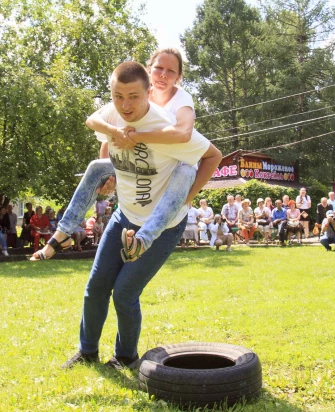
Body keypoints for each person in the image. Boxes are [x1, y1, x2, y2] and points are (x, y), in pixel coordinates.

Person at [59, 60, 220, 370]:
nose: (125, 104)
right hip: (125, 215)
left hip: (160, 227)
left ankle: (125, 357)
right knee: (96, 287)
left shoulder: (171, 128)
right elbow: (102, 135)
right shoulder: (116, 112)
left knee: (124, 292)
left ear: (148, 91)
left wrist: (186, 198)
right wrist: (108, 171)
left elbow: (212, 155)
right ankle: (87, 351)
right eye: (119, 97)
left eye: (133, 96)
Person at [33, 48, 216, 263]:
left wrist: (137, 137)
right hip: (141, 165)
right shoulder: (131, 96)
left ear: (179, 77)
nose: (163, 75)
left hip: (172, 170)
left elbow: (185, 134)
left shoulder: (180, 101)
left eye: (171, 71)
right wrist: (112, 163)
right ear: (148, 71)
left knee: (185, 171)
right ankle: (62, 234)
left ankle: (143, 240)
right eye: (158, 68)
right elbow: (98, 127)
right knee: (95, 167)